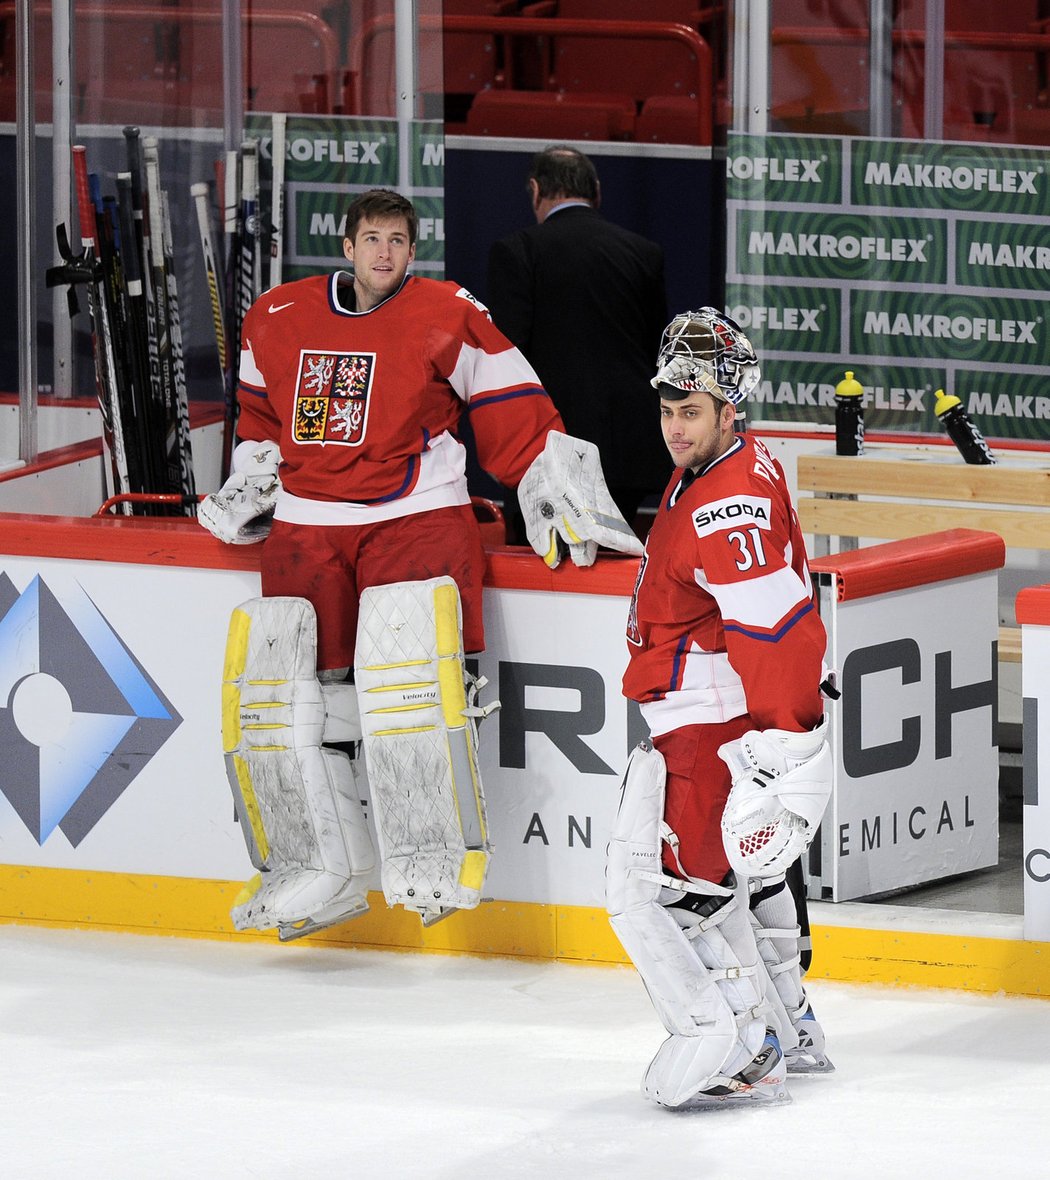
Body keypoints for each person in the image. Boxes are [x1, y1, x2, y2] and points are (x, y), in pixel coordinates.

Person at [199, 188, 641, 938]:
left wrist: (554, 485)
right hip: (309, 526)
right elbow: (261, 418)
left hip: (414, 517)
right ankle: (317, 865)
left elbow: (513, 404)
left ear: (412, 249)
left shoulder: (447, 311)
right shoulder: (274, 316)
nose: (384, 253)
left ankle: (433, 855)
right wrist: (255, 473)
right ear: (346, 246)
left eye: (398, 241)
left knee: (412, 691)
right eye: (371, 239)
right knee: (289, 700)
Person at [606, 308, 835, 1110]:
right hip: (711, 718)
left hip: (706, 725)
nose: (674, 427)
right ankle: (791, 1025)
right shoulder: (728, 463)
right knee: (733, 880)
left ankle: (738, 1043)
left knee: (672, 894)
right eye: (668, 410)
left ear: (729, 407)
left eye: (691, 412)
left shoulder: (724, 500)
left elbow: (778, 632)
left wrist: (790, 742)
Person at [486, 145, 671, 537]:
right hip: (627, 458)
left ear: (535, 190)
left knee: (542, 579)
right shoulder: (644, 254)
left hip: (547, 457)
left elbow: (507, 360)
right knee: (611, 582)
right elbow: (659, 352)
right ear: (597, 192)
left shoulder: (517, 252)